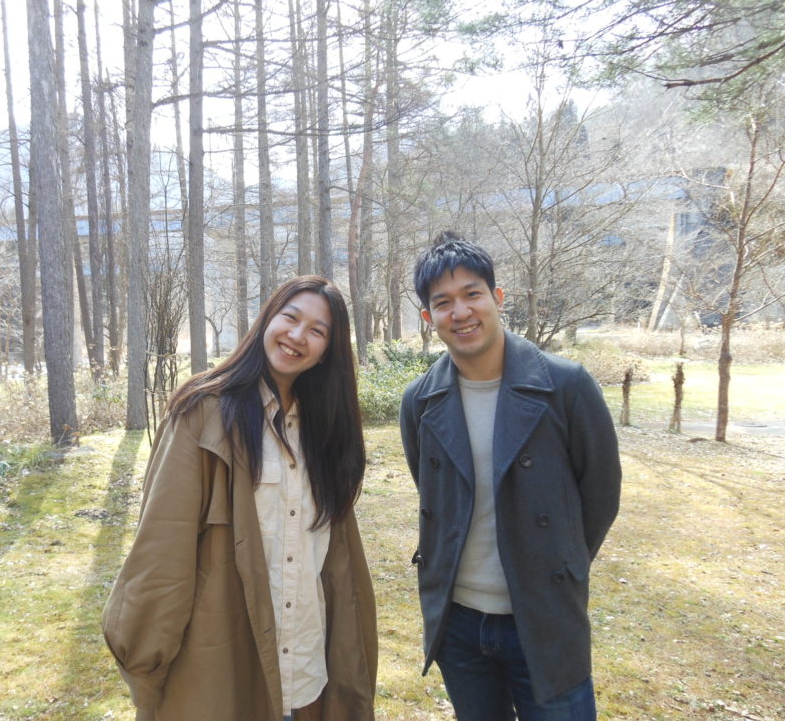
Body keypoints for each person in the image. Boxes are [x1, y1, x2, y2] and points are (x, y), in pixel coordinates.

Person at [104, 275, 377, 721]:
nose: (297, 336)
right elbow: (161, 549)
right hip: (226, 671)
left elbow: (333, 561)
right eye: (290, 317)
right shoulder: (203, 414)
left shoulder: (324, 429)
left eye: (317, 330)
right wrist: (146, 662)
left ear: (328, 350)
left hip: (307, 672)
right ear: (267, 319)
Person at [400, 232, 621, 720]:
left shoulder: (566, 385)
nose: (460, 312)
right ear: (428, 318)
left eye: (472, 294)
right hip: (458, 623)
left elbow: (601, 494)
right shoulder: (420, 401)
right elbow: (436, 492)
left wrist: (558, 566)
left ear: (498, 298)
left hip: (544, 616)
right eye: (443, 302)